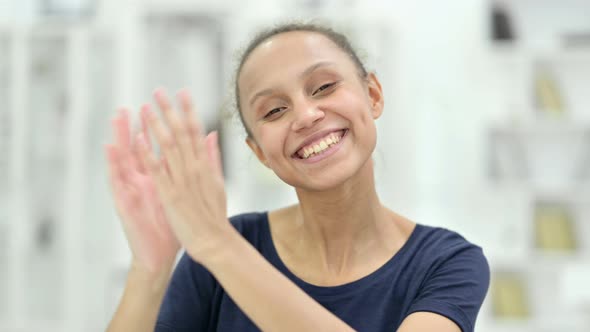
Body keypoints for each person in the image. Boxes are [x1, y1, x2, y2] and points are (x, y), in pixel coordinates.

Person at [104, 22, 490, 332]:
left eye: (323, 87)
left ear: (372, 94)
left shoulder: (447, 263)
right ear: (259, 152)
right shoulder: (219, 254)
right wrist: (149, 270)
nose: (306, 116)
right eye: (274, 111)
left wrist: (219, 246)